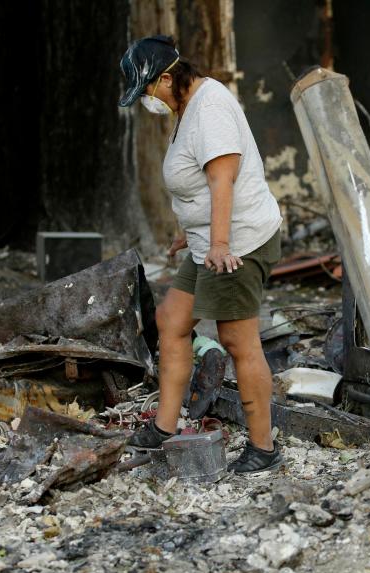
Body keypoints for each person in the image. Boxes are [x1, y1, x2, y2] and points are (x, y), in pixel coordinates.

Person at [118, 35, 283, 473]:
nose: (146, 101)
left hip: (237, 241)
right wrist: (185, 232)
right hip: (207, 240)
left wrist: (220, 245)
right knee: (172, 320)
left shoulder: (208, 108)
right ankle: (165, 427)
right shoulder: (186, 108)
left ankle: (263, 449)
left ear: (169, 77)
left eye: (148, 90)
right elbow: (193, 182)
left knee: (235, 339)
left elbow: (221, 181)